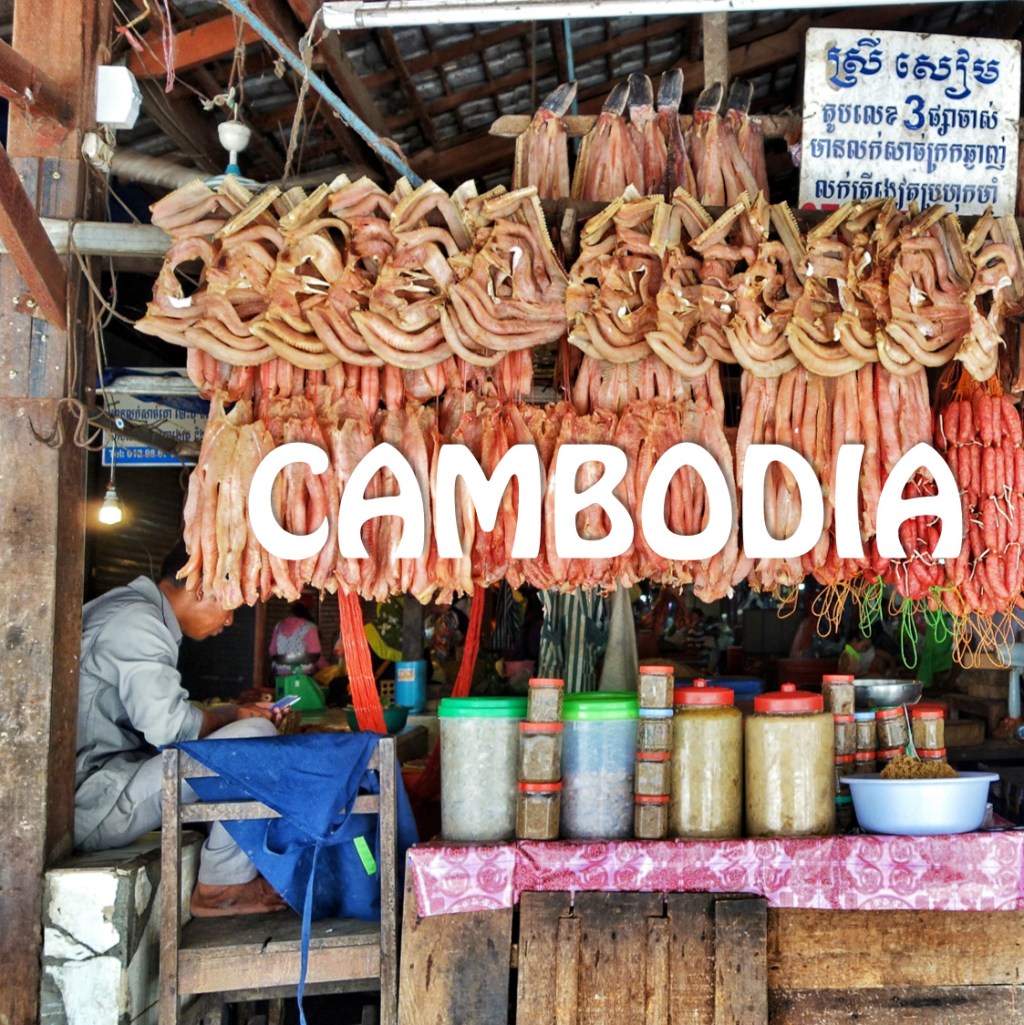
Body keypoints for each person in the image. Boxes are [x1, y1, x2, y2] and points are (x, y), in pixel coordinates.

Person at [74, 539, 290, 917]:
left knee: (247, 729)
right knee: (255, 738)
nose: (228, 621)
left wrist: (231, 712)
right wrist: (237, 718)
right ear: (198, 584)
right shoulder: (137, 623)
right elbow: (172, 728)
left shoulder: (130, 610)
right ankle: (220, 887)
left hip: (100, 787)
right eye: (230, 606)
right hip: (93, 803)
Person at [269, 599, 326, 678]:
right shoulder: (310, 627)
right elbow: (315, 655)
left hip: (280, 674)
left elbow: (272, 651)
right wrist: (328, 669)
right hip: (303, 675)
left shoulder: (278, 626)